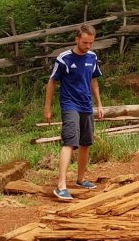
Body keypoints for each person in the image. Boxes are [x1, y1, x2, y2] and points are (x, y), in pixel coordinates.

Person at [44, 23, 104, 201]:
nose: (88, 46)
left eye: (91, 43)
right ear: (77, 39)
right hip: (70, 104)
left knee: (86, 142)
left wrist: (99, 105)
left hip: (87, 105)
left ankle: (81, 179)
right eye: (85, 42)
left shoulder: (92, 57)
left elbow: (94, 81)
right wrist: (47, 107)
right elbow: (52, 82)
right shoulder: (64, 58)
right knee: (70, 141)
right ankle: (61, 186)